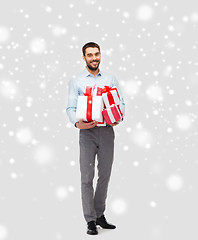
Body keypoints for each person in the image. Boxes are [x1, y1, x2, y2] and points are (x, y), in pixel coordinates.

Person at [66, 42, 125, 235]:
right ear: (84, 58)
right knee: (86, 177)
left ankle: (100, 215)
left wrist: (119, 116)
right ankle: (90, 220)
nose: (94, 58)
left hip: (107, 130)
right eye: (89, 55)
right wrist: (77, 123)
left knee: (105, 175)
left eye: (96, 54)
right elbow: (70, 108)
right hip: (87, 133)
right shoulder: (76, 81)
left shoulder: (110, 78)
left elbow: (120, 102)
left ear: (100, 55)